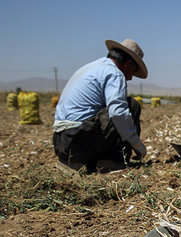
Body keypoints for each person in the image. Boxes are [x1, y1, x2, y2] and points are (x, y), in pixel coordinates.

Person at [53, 38, 148, 174]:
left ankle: (75, 161)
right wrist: (137, 145)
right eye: (133, 72)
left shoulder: (92, 67)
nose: (131, 78)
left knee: (108, 109)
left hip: (60, 142)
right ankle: (113, 161)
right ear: (127, 65)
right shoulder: (115, 73)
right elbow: (118, 113)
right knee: (131, 106)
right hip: (77, 142)